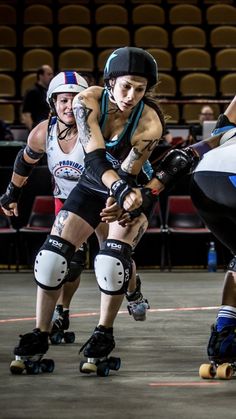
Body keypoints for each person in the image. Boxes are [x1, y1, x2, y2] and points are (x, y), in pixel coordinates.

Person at [1, 47, 164, 373]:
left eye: (140, 89)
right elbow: (93, 158)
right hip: (92, 183)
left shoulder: (150, 124)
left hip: (130, 189)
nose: (131, 96)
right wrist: (11, 192)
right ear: (110, 82)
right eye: (125, 86)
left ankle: (103, 333)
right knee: (51, 258)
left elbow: (129, 171)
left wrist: (123, 196)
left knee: (111, 259)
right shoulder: (86, 100)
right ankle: (40, 333)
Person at [143, 96, 236, 377]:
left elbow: (194, 149)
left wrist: (150, 191)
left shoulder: (226, 128)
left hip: (205, 180)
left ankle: (224, 333)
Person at [21, 65, 54, 131]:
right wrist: (33, 131)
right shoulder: (32, 92)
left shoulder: (51, 92)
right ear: (40, 76)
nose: (51, 77)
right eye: (49, 74)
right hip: (39, 128)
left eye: (52, 74)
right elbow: (26, 114)